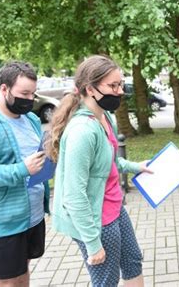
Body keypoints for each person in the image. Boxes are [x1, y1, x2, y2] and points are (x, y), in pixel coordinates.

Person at [46, 55, 152, 287]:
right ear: (90, 89)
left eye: (120, 84)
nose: (120, 91)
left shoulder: (105, 117)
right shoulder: (82, 131)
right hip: (96, 219)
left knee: (133, 261)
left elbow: (110, 162)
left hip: (114, 207)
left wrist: (137, 167)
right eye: (113, 86)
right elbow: (74, 195)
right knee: (106, 280)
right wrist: (93, 243)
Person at [0, 61, 49, 286]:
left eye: (32, 94)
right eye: (24, 93)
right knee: (7, 282)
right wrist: (21, 170)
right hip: (2, 223)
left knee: (23, 270)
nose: (29, 99)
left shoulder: (31, 119)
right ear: (4, 89)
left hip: (31, 216)